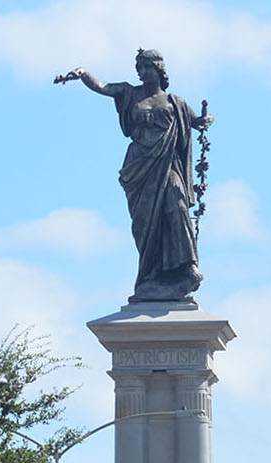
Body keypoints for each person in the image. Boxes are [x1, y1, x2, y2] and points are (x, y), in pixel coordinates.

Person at [58, 50, 213, 302]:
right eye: (138, 68)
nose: (141, 73)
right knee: (145, 225)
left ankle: (188, 267)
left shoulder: (176, 102)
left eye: (146, 68)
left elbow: (196, 122)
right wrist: (84, 73)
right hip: (139, 166)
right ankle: (152, 275)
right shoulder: (130, 93)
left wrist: (206, 120)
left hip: (167, 164)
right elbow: (103, 87)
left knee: (178, 206)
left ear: (159, 70)